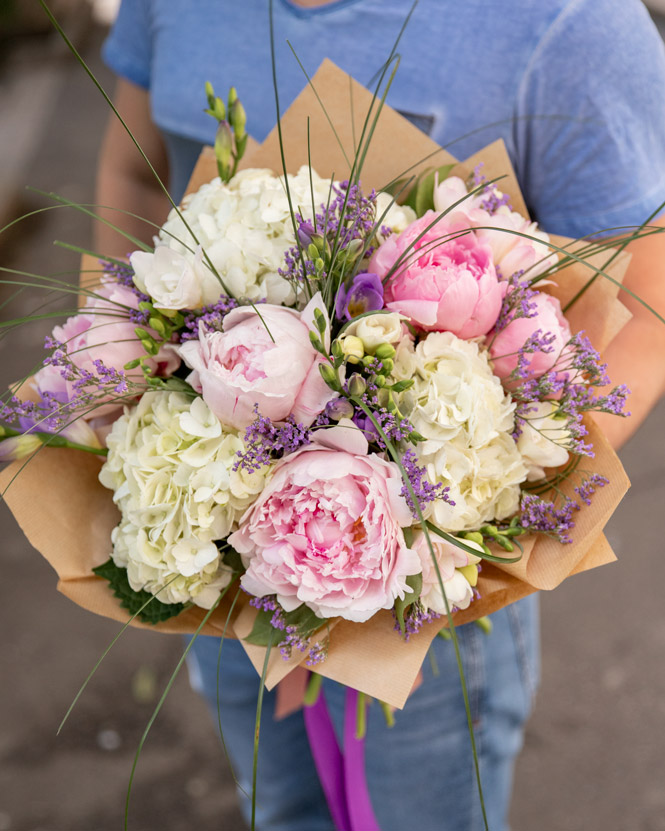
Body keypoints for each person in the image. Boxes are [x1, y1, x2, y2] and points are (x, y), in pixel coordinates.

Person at [96, 1, 665, 829]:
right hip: (217, 554)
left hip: (436, 597)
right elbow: (137, 172)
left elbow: (644, 314)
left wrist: (467, 519)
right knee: (281, 808)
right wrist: (120, 368)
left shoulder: (572, 22)